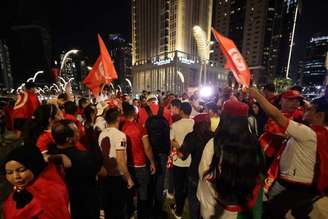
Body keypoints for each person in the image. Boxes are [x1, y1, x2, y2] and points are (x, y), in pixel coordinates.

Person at [249, 88, 328, 219]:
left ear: (320, 115)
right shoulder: (320, 133)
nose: (300, 106)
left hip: (291, 185)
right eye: (292, 100)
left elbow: (276, 116)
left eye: (309, 109)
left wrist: (256, 95)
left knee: (271, 213)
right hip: (302, 185)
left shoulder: (308, 133)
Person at [197, 99, 263, 219]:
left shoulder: (213, 144)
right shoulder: (254, 145)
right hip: (242, 207)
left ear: (224, 119)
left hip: (215, 208)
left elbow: (204, 174)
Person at [50, 119, 101, 219]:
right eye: (76, 131)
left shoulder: (51, 152)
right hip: (84, 204)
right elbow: (102, 172)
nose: (79, 132)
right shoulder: (83, 157)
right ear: (69, 139)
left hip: (63, 203)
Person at [2, 145, 70, 219]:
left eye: (21, 170)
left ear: (34, 166)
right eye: (9, 172)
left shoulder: (48, 191)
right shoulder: (27, 186)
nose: (16, 176)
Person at [175, 113, 213, 219]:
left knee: (194, 203)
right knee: (206, 204)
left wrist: (177, 147)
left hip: (194, 174)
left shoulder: (192, 136)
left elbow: (182, 156)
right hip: (209, 174)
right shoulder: (214, 136)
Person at [122, 104, 156, 219]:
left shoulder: (122, 127)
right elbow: (147, 147)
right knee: (143, 192)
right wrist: (152, 162)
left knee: (129, 192)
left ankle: (130, 213)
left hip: (128, 164)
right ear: (135, 114)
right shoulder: (140, 127)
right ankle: (142, 214)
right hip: (140, 163)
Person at [98, 108, 134, 219]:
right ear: (118, 118)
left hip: (105, 176)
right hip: (116, 177)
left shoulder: (102, 134)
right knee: (118, 209)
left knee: (109, 208)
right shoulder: (120, 135)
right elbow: (120, 159)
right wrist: (128, 178)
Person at [170, 102, 194, 218]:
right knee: (188, 187)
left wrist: (179, 146)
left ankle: (178, 211)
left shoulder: (175, 125)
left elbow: (171, 140)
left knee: (179, 187)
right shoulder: (195, 124)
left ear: (182, 111)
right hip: (191, 161)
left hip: (179, 161)